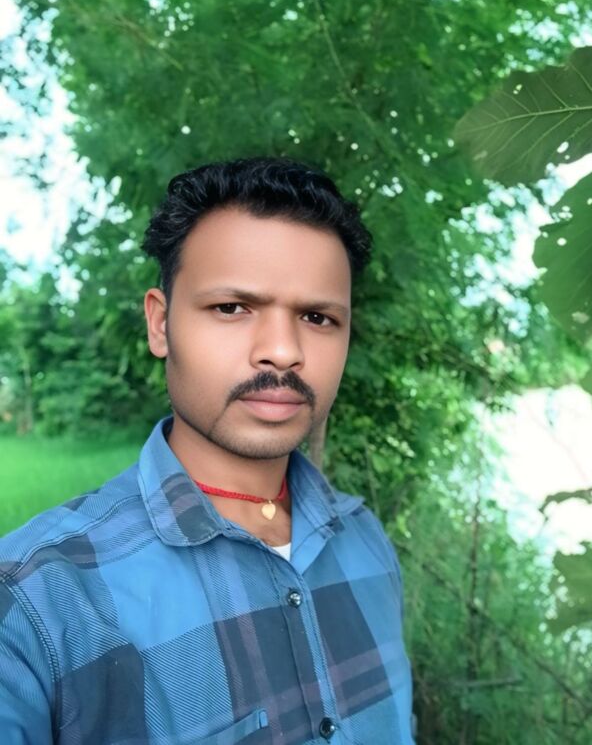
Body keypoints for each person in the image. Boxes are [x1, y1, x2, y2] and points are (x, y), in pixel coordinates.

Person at [0, 157, 415, 744]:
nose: (283, 351)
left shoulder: (366, 540)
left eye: (318, 317)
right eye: (232, 308)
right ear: (160, 324)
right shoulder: (34, 601)